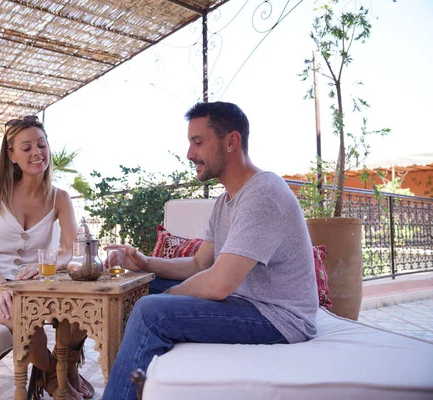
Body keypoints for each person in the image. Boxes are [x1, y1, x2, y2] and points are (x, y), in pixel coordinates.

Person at [101, 101, 319, 400]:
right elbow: (200, 265)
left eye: (198, 142)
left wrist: (168, 298)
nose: (190, 154)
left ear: (231, 141)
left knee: (151, 311)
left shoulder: (263, 194)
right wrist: (143, 262)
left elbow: (218, 285)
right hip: (246, 302)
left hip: (279, 317)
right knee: (139, 285)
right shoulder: (225, 201)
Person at [0, 115, 94, 400]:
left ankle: (62, 371)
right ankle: (57, 378)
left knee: (86, 314)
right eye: (26, 147)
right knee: (27, 322)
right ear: (12, 155)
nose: (36, 153)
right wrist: (3, 287)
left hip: (36, 287)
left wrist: (49, 266)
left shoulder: (61, 198)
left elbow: (71, 249)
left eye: (41, 145)